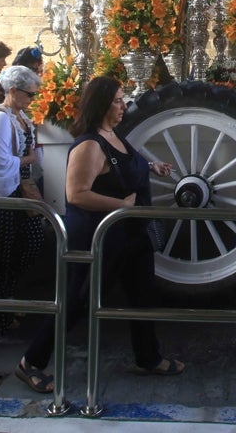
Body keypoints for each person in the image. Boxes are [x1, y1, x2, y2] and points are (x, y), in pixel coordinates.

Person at [17, 75, 182, 394]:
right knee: (78, 301)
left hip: (130, 234)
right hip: (101, 236)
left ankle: (148, 358)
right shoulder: (90, 144)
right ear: (101, 104)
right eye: (118, 100)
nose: (124, 105)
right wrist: (121, 205)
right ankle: (30, 363)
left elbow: (121, 164)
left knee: (142, 297)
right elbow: (77, 193)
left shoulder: (112, 134)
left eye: (123, 99)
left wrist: (150, 166)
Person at [0, 65, 47, 334]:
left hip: (22, 188)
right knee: (0, 252)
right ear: (13, 91)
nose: (32, 100)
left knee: (30, 241)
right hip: (3, 193)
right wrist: (28, 159)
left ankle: (8, 296)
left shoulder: (21, 117)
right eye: (30, 95)